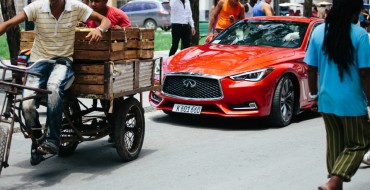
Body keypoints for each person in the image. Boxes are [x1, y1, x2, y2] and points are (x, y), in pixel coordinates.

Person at [0, 0, 111, 165]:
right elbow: (9, 23)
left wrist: (99, 29)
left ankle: (53, 139)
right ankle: (37, 140)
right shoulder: (37, 7)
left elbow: (105, 20)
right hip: (38, 62)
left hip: (62, 62)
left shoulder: (76, 7)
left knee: (53, 89)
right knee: (27, 104)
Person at [303, 0, 370, 189]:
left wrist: (314, 95)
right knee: (360, 142)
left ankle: (333, 185)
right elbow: (365, 73)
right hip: (352, 102)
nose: (359, 15)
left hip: (326, 100)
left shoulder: (318, 33)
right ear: (352, 11)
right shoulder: (360, 35)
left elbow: (311, 69)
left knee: (335, 145)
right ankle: (334, 181)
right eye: (358, 11)